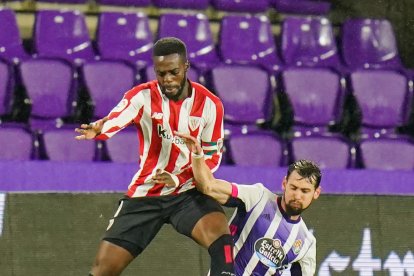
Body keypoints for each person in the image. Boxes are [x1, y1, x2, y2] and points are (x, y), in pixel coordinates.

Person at [75, 37, 234, 276]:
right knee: (102, 270)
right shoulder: (142, 96)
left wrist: (180, 178)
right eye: (161, 74)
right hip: (147, 192)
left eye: (174, 72)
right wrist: (100, 129)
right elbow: (117, 116)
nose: (167, 80)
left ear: (186, 67)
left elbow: (212, 158)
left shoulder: (211, 105)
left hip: (188, 192)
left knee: (223, 242)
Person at [172, 132, 322, 276]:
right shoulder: (258, 197)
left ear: (316, 193)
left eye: (305, 191)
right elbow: (208, 186)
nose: (297, 195)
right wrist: (197, 155)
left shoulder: (306, 243)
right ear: (284, 183)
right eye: (293, 188)